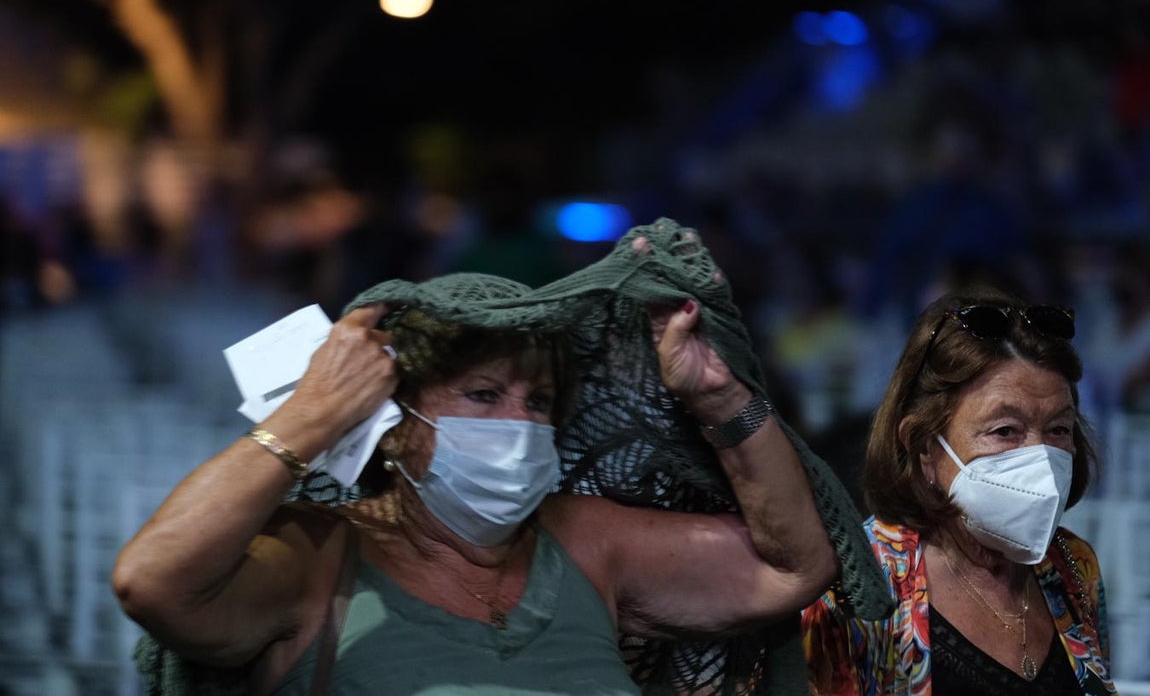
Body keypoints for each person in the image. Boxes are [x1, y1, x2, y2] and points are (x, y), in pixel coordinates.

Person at [113, 219, 890, 695]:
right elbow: (153, 582)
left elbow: (791, 567)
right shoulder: (318, 557)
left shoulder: (586, 543)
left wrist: (720, 399)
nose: (519, 425)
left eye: (540, 402)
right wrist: (314, 413)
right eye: (483, 396)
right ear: (395, 418)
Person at [801, 286, 1117, 695]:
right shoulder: (856, 588)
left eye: (1058, 429)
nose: (1040, 457)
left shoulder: (1073, 567)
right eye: (1005, 431)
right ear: (925, 447)